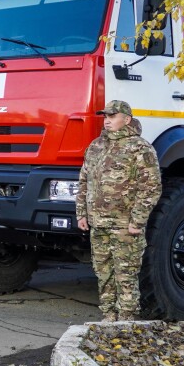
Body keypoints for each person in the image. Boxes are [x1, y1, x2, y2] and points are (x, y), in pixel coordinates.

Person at [76, 100, 162, 322]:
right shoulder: (95, 146)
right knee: (103, 273)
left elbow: (151, 187)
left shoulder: (140, 148)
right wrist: (82, 214)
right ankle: (109, 316)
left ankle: (126, 319)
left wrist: (138, 220)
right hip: (98, 223)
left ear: (127, 119)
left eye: (112, 117)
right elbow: (84, 182)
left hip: (125, 226)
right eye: (106, 117)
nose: (107, 121)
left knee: (126, 275)